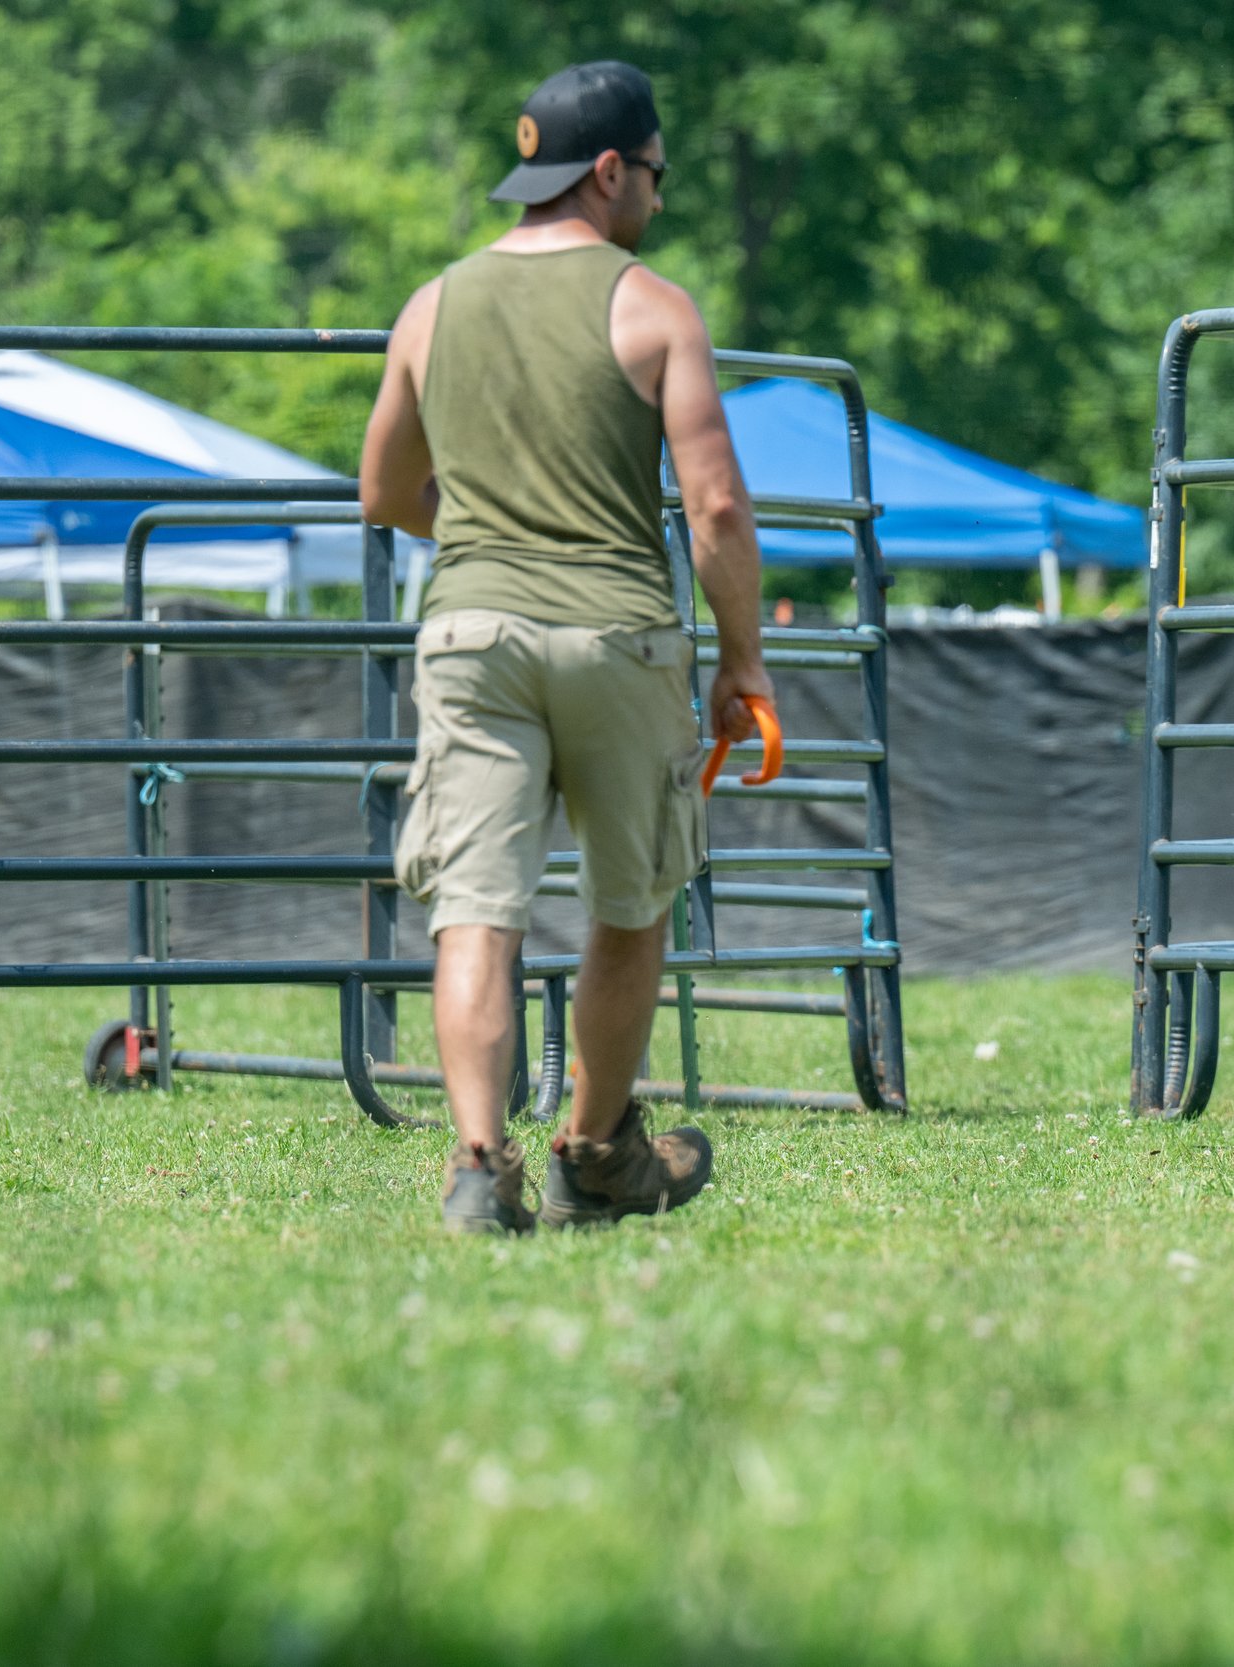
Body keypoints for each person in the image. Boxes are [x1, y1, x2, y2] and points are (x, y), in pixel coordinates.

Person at [358, 61, 773, 1234]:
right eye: (655, 173)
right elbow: (718, 510)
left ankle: (481, 1166)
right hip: (616, 636)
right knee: (628, 906)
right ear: (607, 172)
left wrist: (492, 532)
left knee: (476, 910)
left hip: (470, 633)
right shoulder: (652, 305)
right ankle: (595, 1153)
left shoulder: (432, 305)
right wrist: (744, 661)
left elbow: (383, 489)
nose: (657, 195)